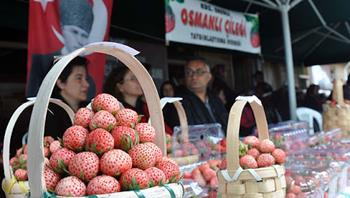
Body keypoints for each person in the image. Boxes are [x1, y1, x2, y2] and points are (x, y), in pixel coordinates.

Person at [27, 0, 109, 98]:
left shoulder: (90, 82)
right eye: (74, 32)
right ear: (62, 28)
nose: (79, 40)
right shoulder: (40, 62)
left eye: (84, 35)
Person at [173, 57, 229, 133]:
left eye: (199, 72)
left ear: (209, 77)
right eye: (189, 72)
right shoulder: (179, 102)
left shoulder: (216, 99)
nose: (194, 77)